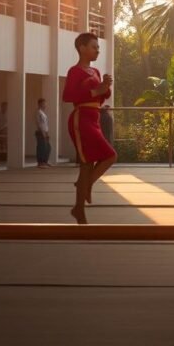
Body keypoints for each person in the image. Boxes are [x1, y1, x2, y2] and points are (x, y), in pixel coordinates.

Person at [63, 33, 116, 224]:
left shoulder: (95, 72)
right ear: (82, 48)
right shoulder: (75, 71)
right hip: (81, 119)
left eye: (98, 47)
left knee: (88, 164)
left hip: (94, 117)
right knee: (109, 156)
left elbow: (101, 97)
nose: (97, 50)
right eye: (94, 47)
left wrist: (105, 86)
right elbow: (69, 95)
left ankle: (79, 208)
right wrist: (97, 89)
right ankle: (84, 187)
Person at [35, 98, 51, 169]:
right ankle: (40, 163)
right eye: (43, 103)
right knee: (41, 147)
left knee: (48, 147)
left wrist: (47, 132)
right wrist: (43, 132)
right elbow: (39, 123)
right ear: (40, 104)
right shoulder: (38, 112)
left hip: (45, 132)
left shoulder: (43, 113)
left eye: (45, 103)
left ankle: (45, 162)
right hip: (40, 132)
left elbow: (45, 124)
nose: (45, 105)